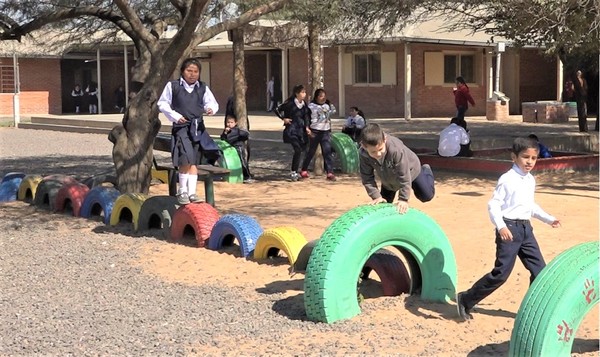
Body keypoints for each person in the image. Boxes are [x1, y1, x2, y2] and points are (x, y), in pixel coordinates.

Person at [456, 136, 561, 321]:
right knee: (501, 274)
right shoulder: (507, 179)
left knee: (540, 272)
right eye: (525, 157)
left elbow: (530, 206)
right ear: (514, 157)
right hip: (509, 229)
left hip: (526, 230)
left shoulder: (530, 180)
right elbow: (493, 205)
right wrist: (502, 226)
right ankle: (466, 298)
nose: (529, 162)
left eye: (533, 158)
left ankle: (531, 309)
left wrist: (549, 219)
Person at [157, 57, 220, 205]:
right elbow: (163, 103)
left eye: (195, 71)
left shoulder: (202, 87)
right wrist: (175, 116)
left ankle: (192, 192)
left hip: (197, 128)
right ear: (182, 71)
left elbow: (211, 102)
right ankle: (182, 190)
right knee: (184, 158)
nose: (192, 74)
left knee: (193, 161)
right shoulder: (173, 86)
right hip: (181, 127)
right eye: (189, 71)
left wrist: (210, 109)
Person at [359, 123, 435, 214]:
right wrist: (376, 197)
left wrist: (403, 199)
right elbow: (367, 178)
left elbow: (404, 175)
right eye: (373, 152)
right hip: (388, 179)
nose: (378, 154)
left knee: (426, 196)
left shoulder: (395, 150)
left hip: (410, 171)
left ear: (385, 140)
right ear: (364, 146)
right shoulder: (363, 154)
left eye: (380, 149)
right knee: (383, 206)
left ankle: (426, 170)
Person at [274, 84, 311, 181]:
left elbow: (306, 116)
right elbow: (277, 109)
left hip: (301, 131)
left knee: (303, 149)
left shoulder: (304, 104)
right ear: (296, 93)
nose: (304, 94)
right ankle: (293, 172)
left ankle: (300, 170)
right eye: (302, 92)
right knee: (297, 149)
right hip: (291, 130)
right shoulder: (290, 103)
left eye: (305, 92)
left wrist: (307, 127)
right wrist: (283, 118)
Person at [299, 88, 337, 181]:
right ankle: (304, 170)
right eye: (320, 96)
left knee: (327, 152)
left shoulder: (327, 105)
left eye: (324, 96)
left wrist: (329, 130)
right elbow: (307, 117)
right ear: (316, 97)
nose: (323, 98)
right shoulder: (311, 106)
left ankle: (330, 172)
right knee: (311, 151)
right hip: (315, 131)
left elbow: (329, 117)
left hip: (325, 131)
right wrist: (307, 128)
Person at [221, 116, 254, 183]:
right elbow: (222, 138)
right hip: (231, 149)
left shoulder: (237, 130)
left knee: (242, 161)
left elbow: (246, 134)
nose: (229, 124)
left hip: (239, 147)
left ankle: (247, 176)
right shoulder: (226, 131)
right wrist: (225, 133)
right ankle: (238, 175)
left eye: (231, 122)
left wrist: (239, 138)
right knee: (235, 162)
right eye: (228, 122)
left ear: (235, 123)